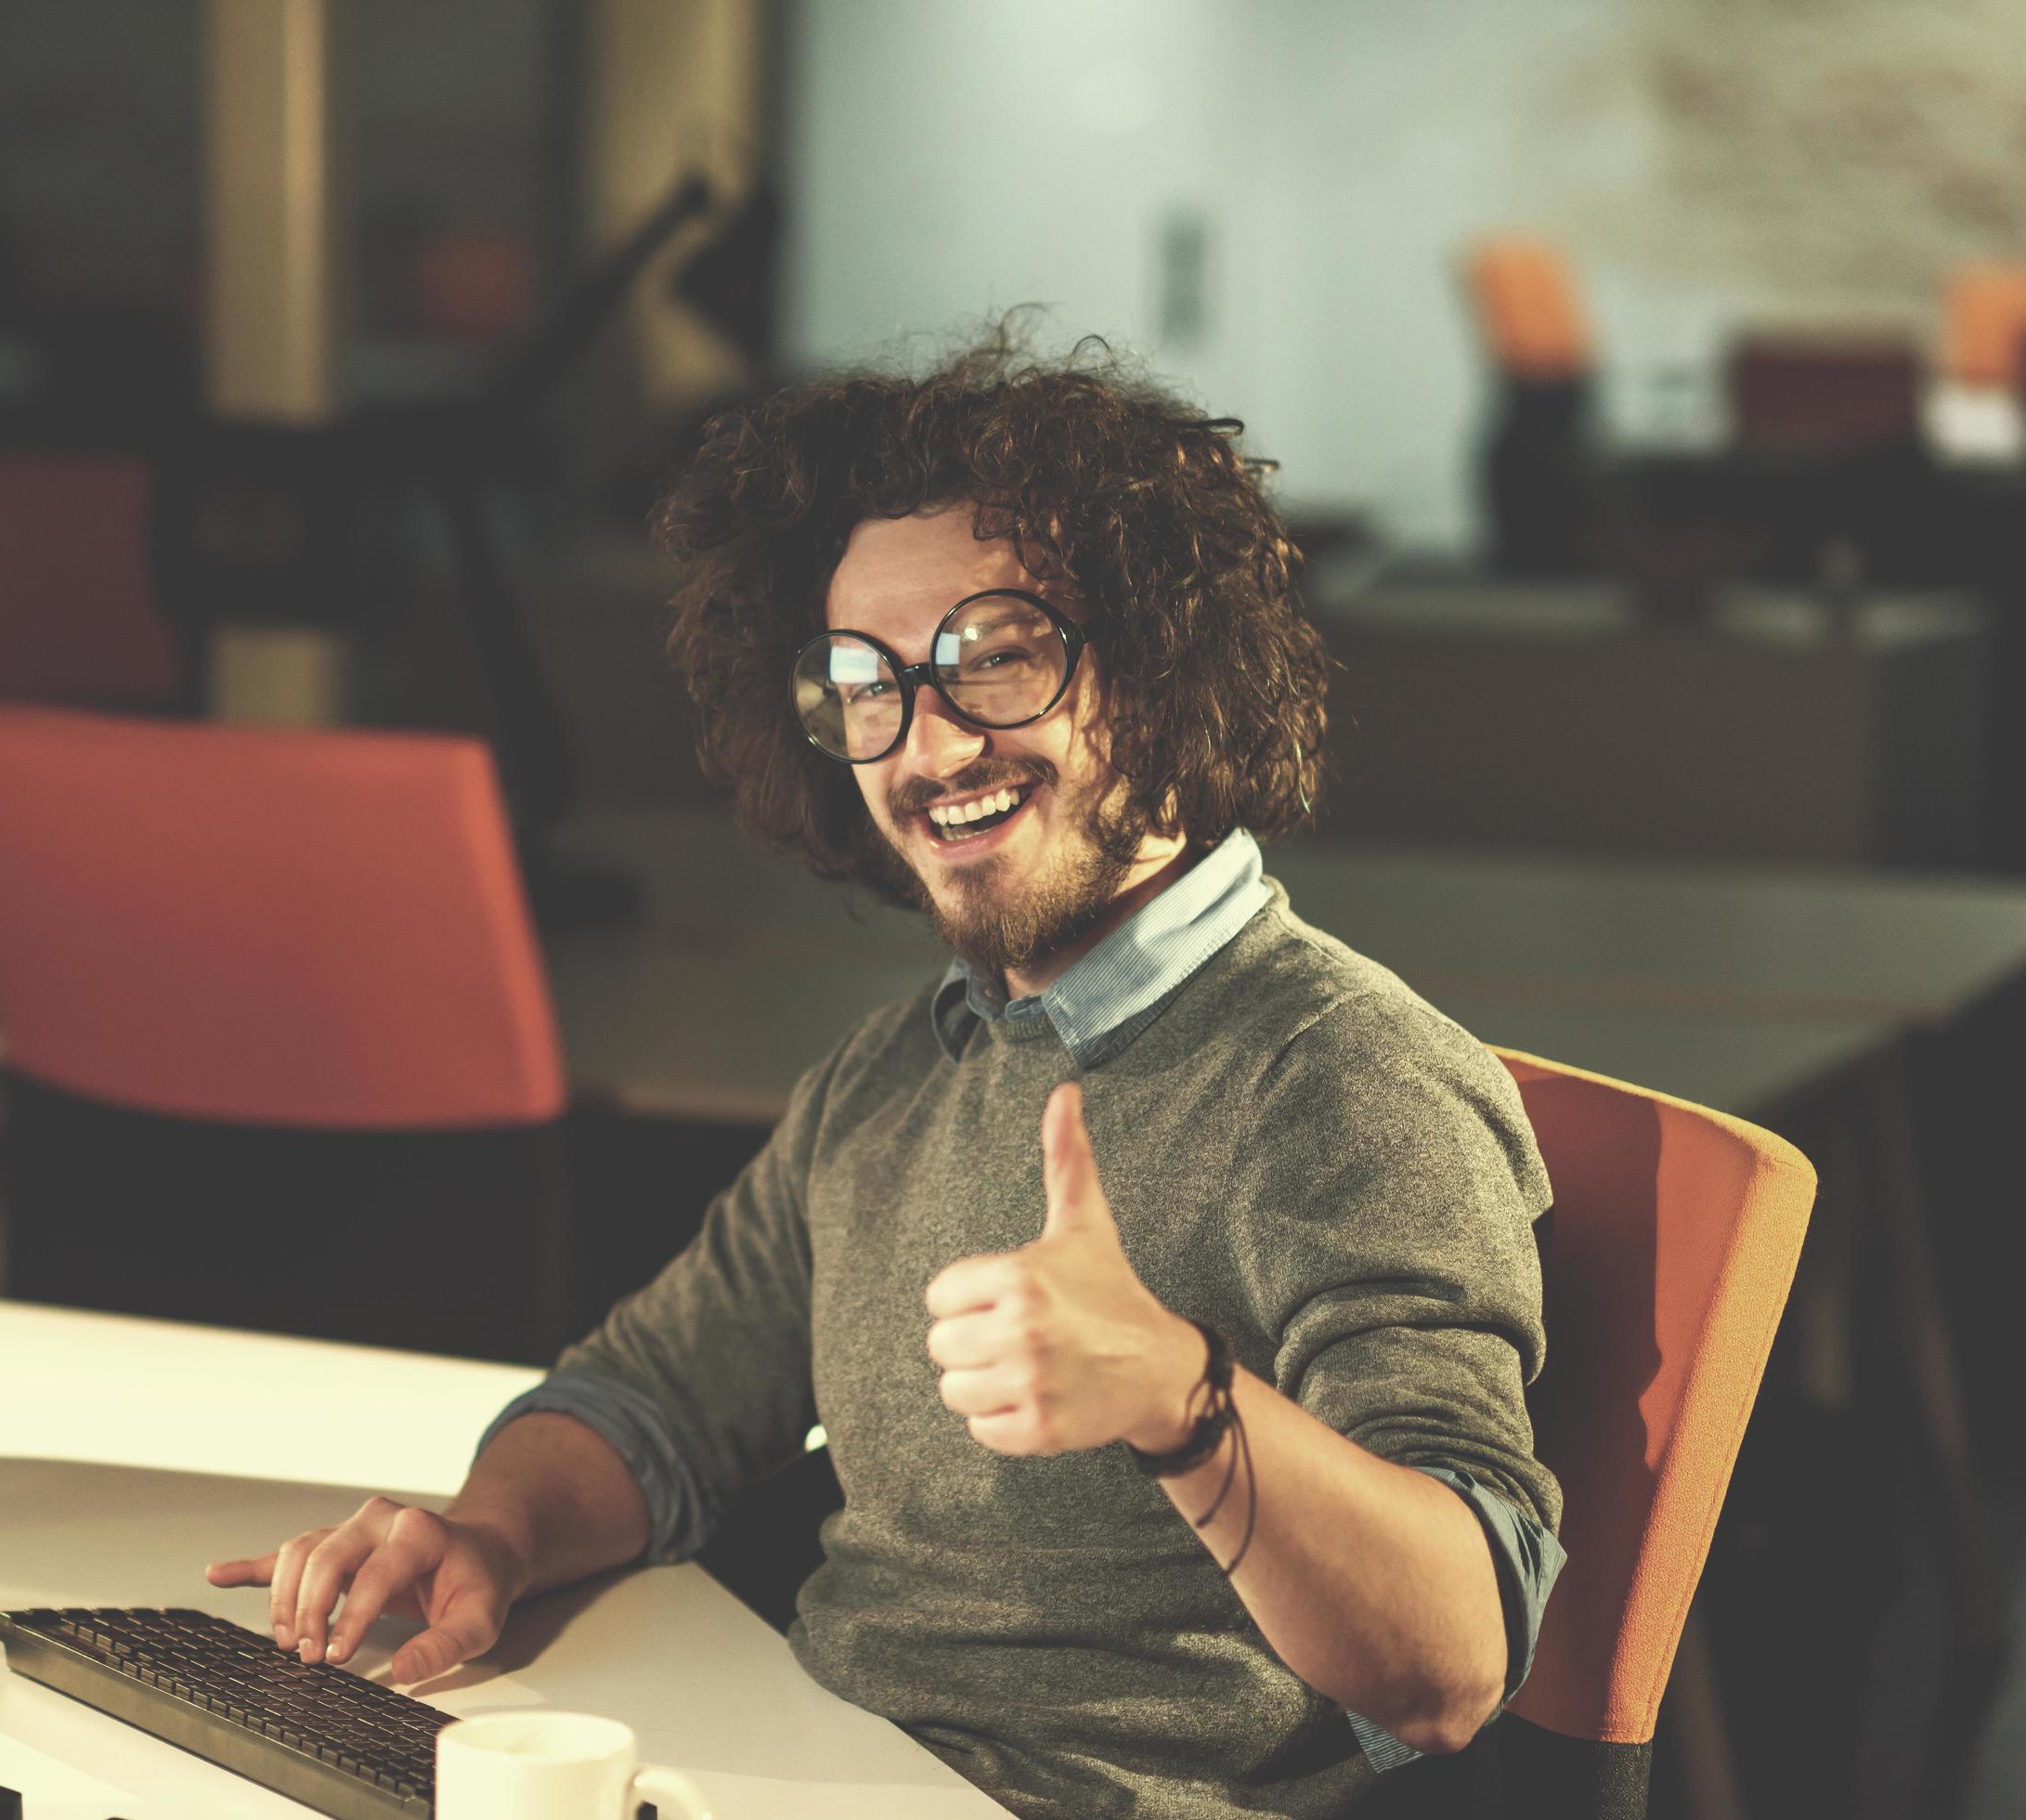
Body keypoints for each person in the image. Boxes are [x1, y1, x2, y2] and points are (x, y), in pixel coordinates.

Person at [209, 338, 1564, 1817]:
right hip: (796, 1770)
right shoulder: (906, 1066)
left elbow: (1451, 1663)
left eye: (994, 657)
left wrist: (1177, 1398)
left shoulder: (1344, 1080)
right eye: (866, 681)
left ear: (1165, 667)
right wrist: (490, 1537)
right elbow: (658, 1397)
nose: (924, 744)